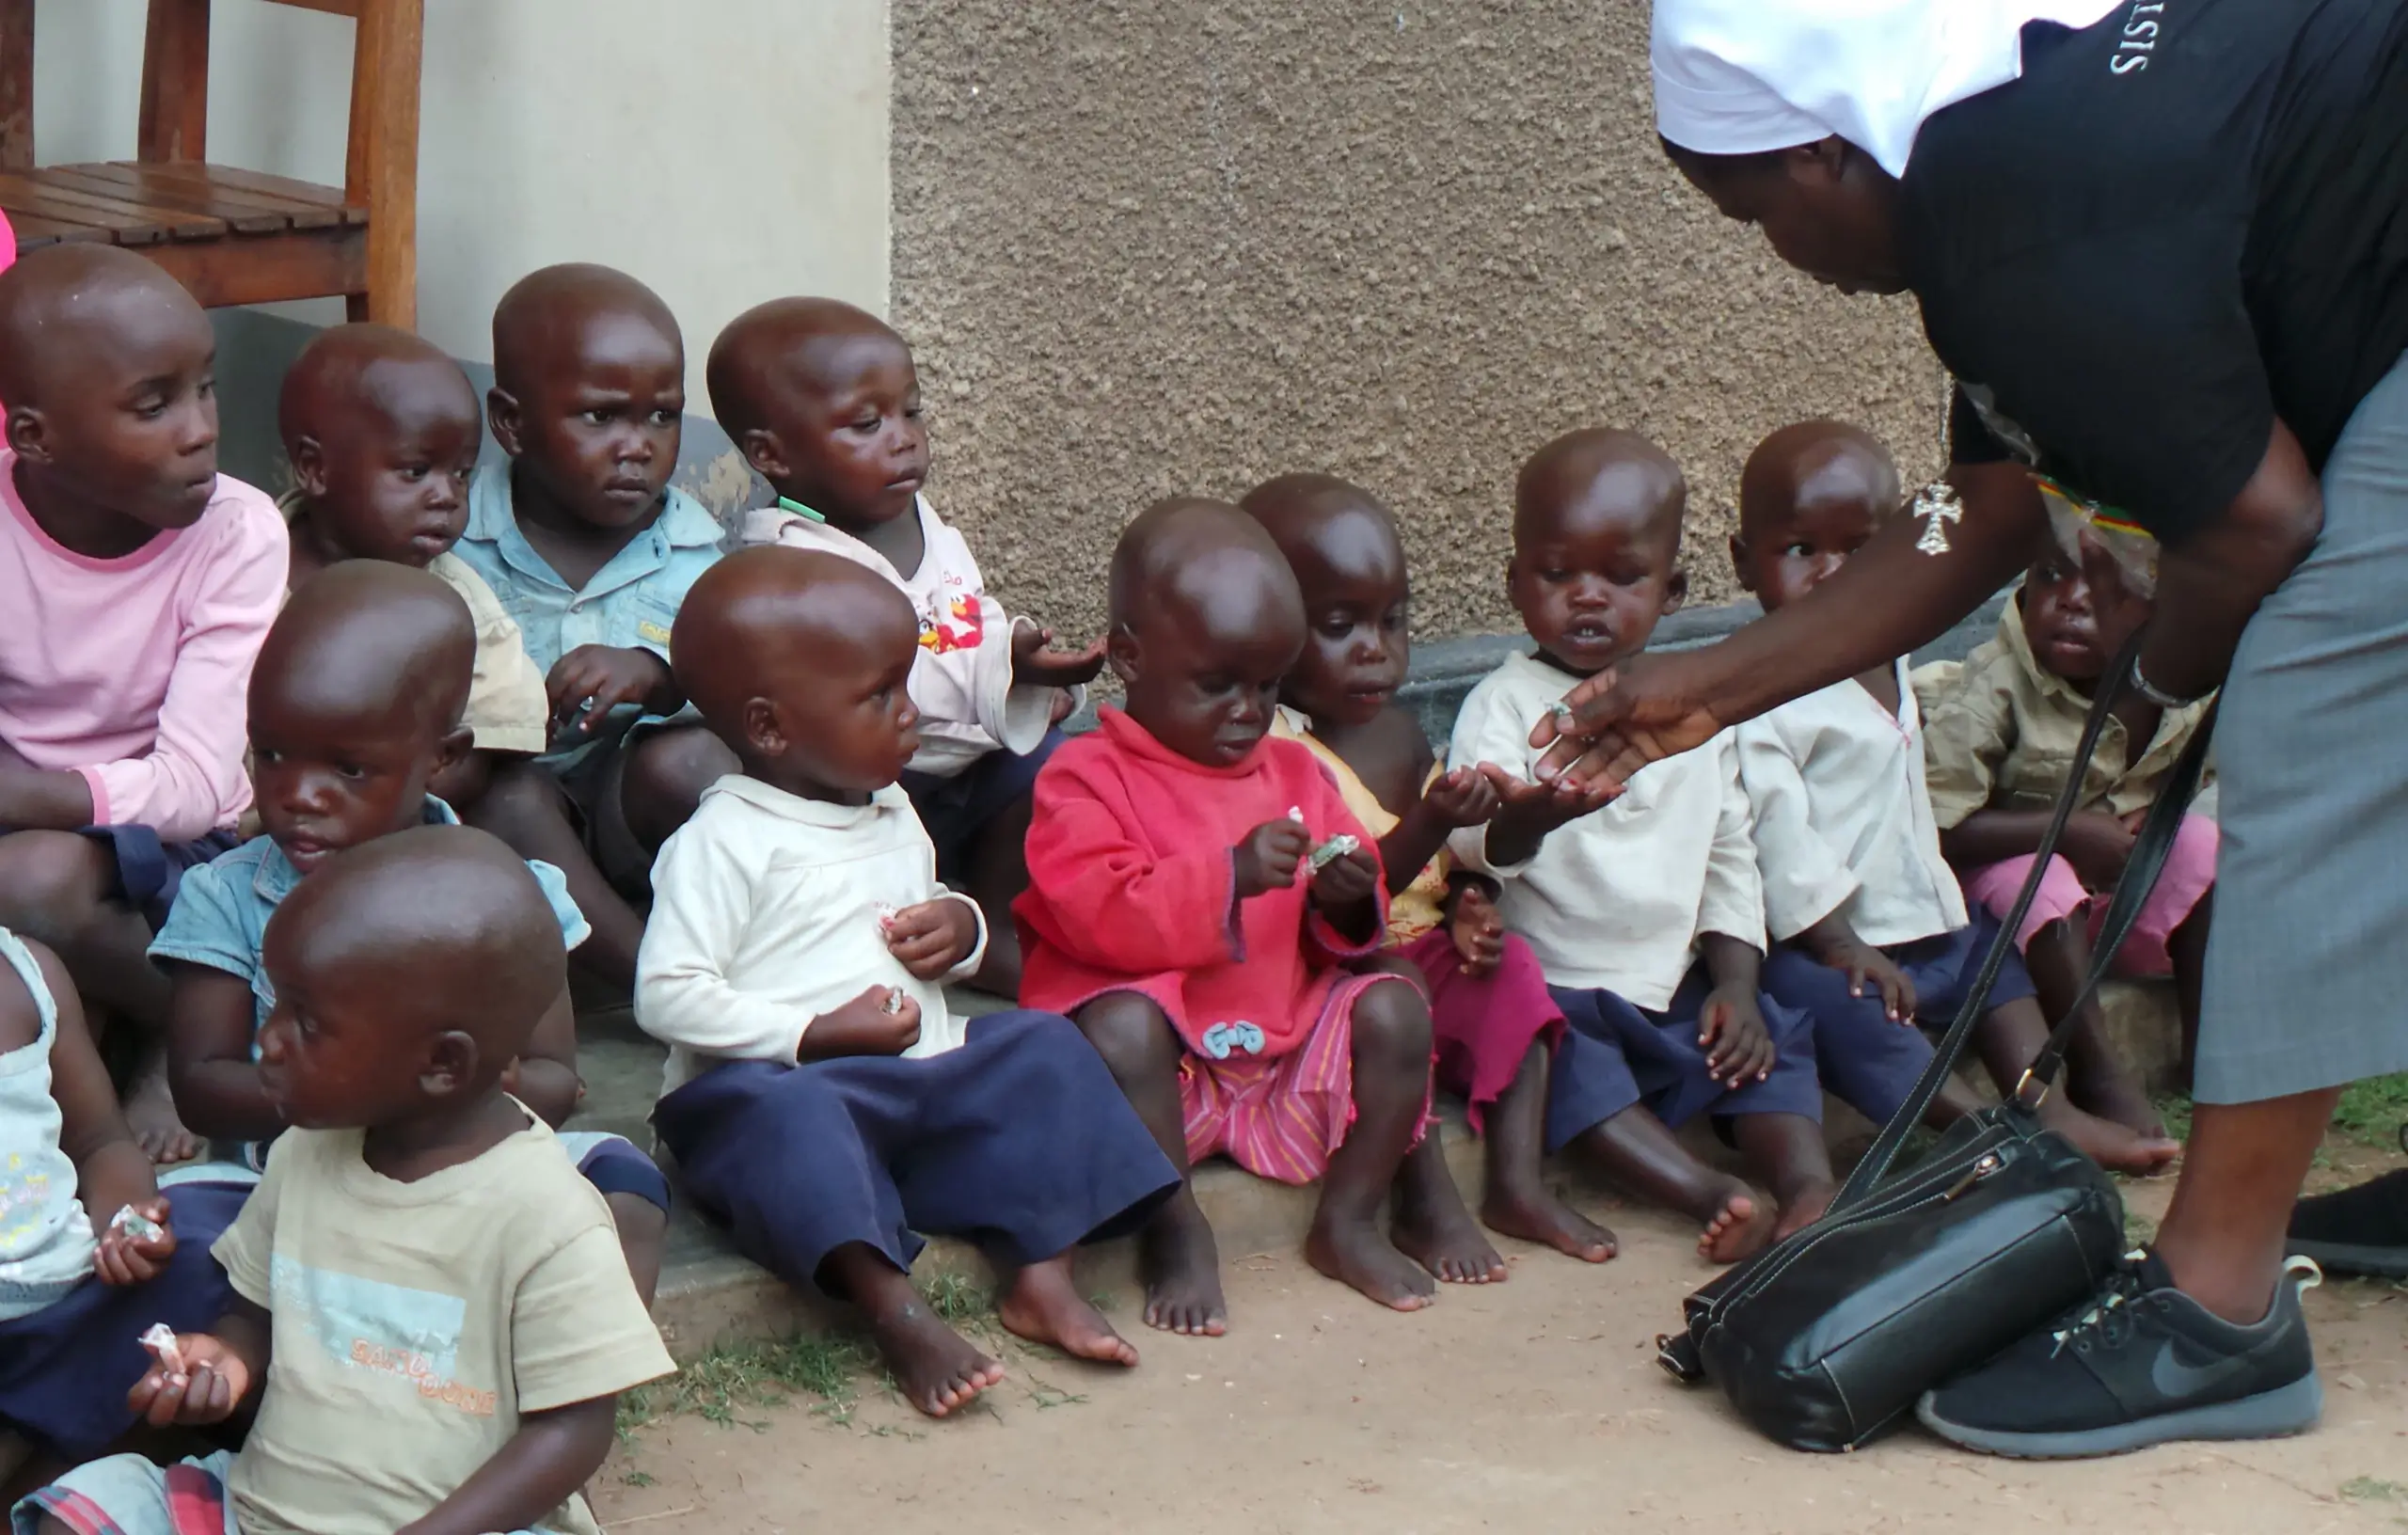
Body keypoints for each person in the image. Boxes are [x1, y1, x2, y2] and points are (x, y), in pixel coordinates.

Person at [1540, 0, 2408, 1455]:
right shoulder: (1997, 157)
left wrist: (2149, 684)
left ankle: (2216, 1310)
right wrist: (1711, 683)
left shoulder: (2016, 211)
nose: (1778, 258)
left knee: (2321, 683)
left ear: (1824, 151)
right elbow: (1984, 509)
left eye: (1754, 213)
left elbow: (2257, 527)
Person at [634, 547, 1179, 1418]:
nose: (911, 712)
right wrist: (812, 1035)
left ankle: (1041, 1274)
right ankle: (896, 1309)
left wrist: (960, 928)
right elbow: (664, 995)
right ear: (772, 729)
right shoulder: (724, 840)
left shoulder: (890, 804)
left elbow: (920, 916)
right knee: (793, 1114)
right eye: (880, 695)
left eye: (907, 683)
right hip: (773, 1094)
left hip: (910, 1077)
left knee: (1042, 1044)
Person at [12, 827, 678, 1535]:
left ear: (442, 1064)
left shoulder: (549, 1214)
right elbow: (254, 1316)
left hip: (460, 1525)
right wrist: (227, 1361)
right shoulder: (304, 1154)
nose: (267, 1039)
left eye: (308, 1021)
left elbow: (572, 1432)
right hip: (258, 1508)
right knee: (87, 1515)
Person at [149, 564, 670, 1303]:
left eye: (349, 768)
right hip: (295, 1189)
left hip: (468, 1178)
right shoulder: (226, 895)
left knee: (621, 1184)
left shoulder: (506, 895)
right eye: (270, 754)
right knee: (191, 1222)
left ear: (445, 757)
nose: (297, 796)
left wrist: (464, 1102)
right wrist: (369, 1095)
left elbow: (553, 1078)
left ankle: (570, 1392)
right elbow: (202, 1089)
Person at [1017, 498, 1464, 1335]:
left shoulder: (1294, 770)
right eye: (1217, 685)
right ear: (1127, 657)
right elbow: (1096, 914)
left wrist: (1345, 895)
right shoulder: (1081, 776)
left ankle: (1351, 1218)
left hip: (1281, 1054)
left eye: (1266, 686)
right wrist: (1227, 877)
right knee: (1117, 1026)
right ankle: (1177, 1228)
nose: (1247, 712)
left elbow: (1346, 921)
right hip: (1164, 1077)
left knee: (1397, 1000)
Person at [1730, 422, 2178, 1172]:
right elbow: (1775, 831)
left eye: (1861, 551)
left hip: (1914, 919)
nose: (1836, 574)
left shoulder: (1888, 655)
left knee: (1992, 961)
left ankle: (2051, 1108)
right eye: (1803, 551)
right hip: (1822, 940)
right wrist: (1841, 943)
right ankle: (1975, 1134)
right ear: (1746, 563)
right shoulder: (1761, 689)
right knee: (1823, 1002)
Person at [1448, 429, 1832, 1265]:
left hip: (1676, 982)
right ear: (1516, 584)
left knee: (1771, 1034)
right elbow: (1471, 846)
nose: (1588, 598)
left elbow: (1731, 855)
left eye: (1622, 578)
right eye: (1558, 575)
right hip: (1566, 984)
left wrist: (1734, 980)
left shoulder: (1695, 709)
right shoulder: (1505, 705)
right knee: (1558, 1063)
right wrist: (1531, 817)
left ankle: (1806, 1187)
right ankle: (1709, 1193)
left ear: (1673, 590)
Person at [1241, 471, 1615, 1266]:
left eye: (1393, 621)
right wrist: (1433, 819)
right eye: (1341, 625)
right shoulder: (1268, 749)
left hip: (1421, 946)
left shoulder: (1403, 734)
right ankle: (1421, 1196)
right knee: (1395, 993)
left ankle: (1518, 1181)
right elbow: (1348, 892)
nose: (1376, 649)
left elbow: (1445, 866)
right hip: (1333, 968)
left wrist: (1474, 898)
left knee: (1513, 971)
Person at [708, 297, 1102, 996]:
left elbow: (968, 615)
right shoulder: (791, 560)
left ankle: (994, 917)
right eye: (867, 424)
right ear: (773, 455)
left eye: (912, 412)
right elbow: (880, 678)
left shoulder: (923, 518)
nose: (905, 439)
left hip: (968, 770)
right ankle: (910, 930)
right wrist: (1001, 679)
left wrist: (1025, 669)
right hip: (878, 782)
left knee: (1058, 765)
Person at [0, 245, 288, 1163]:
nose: (201, 429)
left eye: (204, 388)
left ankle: (190, 1023)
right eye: (153, 404)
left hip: (172, 849)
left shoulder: (235, 533)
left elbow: (200, 785)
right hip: (28, 807)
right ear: (36, 437)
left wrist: (22, 795)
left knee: (34, 881)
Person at [448, 263, 737, 997]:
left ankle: (735, 953)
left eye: (661, 417)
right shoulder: (454, 547)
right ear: (510, 424)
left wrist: (659, 673)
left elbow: (755, 695)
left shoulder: (699, 556)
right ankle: (654, 986)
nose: (636, 445)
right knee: (505, 799)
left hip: (630, 821)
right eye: (600, 417)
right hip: (507, 832)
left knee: (695, 762)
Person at [1920, 525, 2216, 1134]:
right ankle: (2097, 1071)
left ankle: (2209, 1049)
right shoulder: (1994, 686)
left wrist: (2150, 815)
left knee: (2203, 845)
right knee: (2044, 876)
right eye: (2051, 574)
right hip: (2009, 918)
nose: (2072, 599)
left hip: (2107, 904)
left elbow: (2201, 767)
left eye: (2106, 584)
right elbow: (1934, 828)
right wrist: (2067, 833)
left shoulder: (2180, 689)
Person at [277, 323, 552, 828]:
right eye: (414, 471)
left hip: (396, 824)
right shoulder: (246, 574)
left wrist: (378, 803)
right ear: (315, 469)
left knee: (521, 798)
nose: (446, 495)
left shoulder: (453, 595)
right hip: (256, 821)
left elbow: (492, 738)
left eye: (461, 473)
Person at [0, 927, 245, 1486]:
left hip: (62, 1300)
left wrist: (128, 1227)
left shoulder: (28, 973)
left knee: (218, 1237)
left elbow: (100, 1143)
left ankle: (42, 1490)